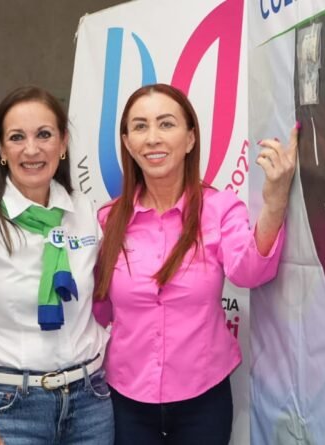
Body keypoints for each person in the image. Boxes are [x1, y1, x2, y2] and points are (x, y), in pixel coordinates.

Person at [93, 83, 298, 444]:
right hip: (126, 400)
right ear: (127, 143)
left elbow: (250, 271)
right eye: (140, 126)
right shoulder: (108, 219)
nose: (152, 138)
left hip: (204, 400)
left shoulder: (219, 208)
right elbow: (99, 309)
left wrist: (275, 201)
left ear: (190, 139)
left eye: (166, 124)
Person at [0, 85, 113, 445]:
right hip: (11, 407)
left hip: (90, 403)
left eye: (44, 134)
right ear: (1, 149)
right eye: (17, 137)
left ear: (63, 143)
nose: (32, 149)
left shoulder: (84, 212)